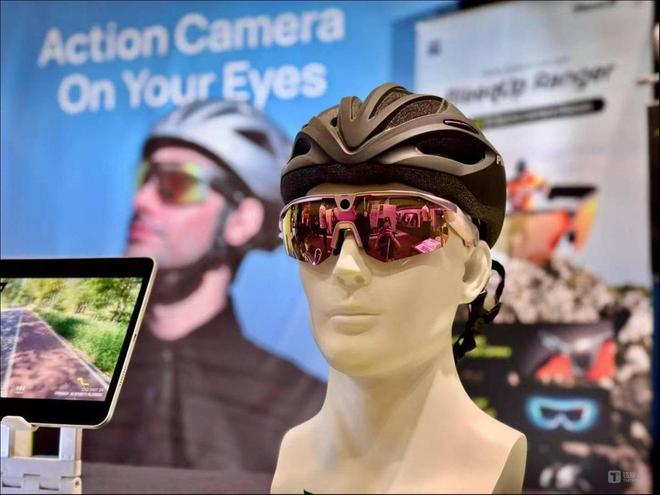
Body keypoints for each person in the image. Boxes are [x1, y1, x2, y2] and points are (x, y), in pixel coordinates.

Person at [81, 100, 326, 471]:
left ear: (241, 220)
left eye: (176, 184)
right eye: (145, 177)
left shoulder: (302, 407)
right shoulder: (74, 374)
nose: (141, 200)